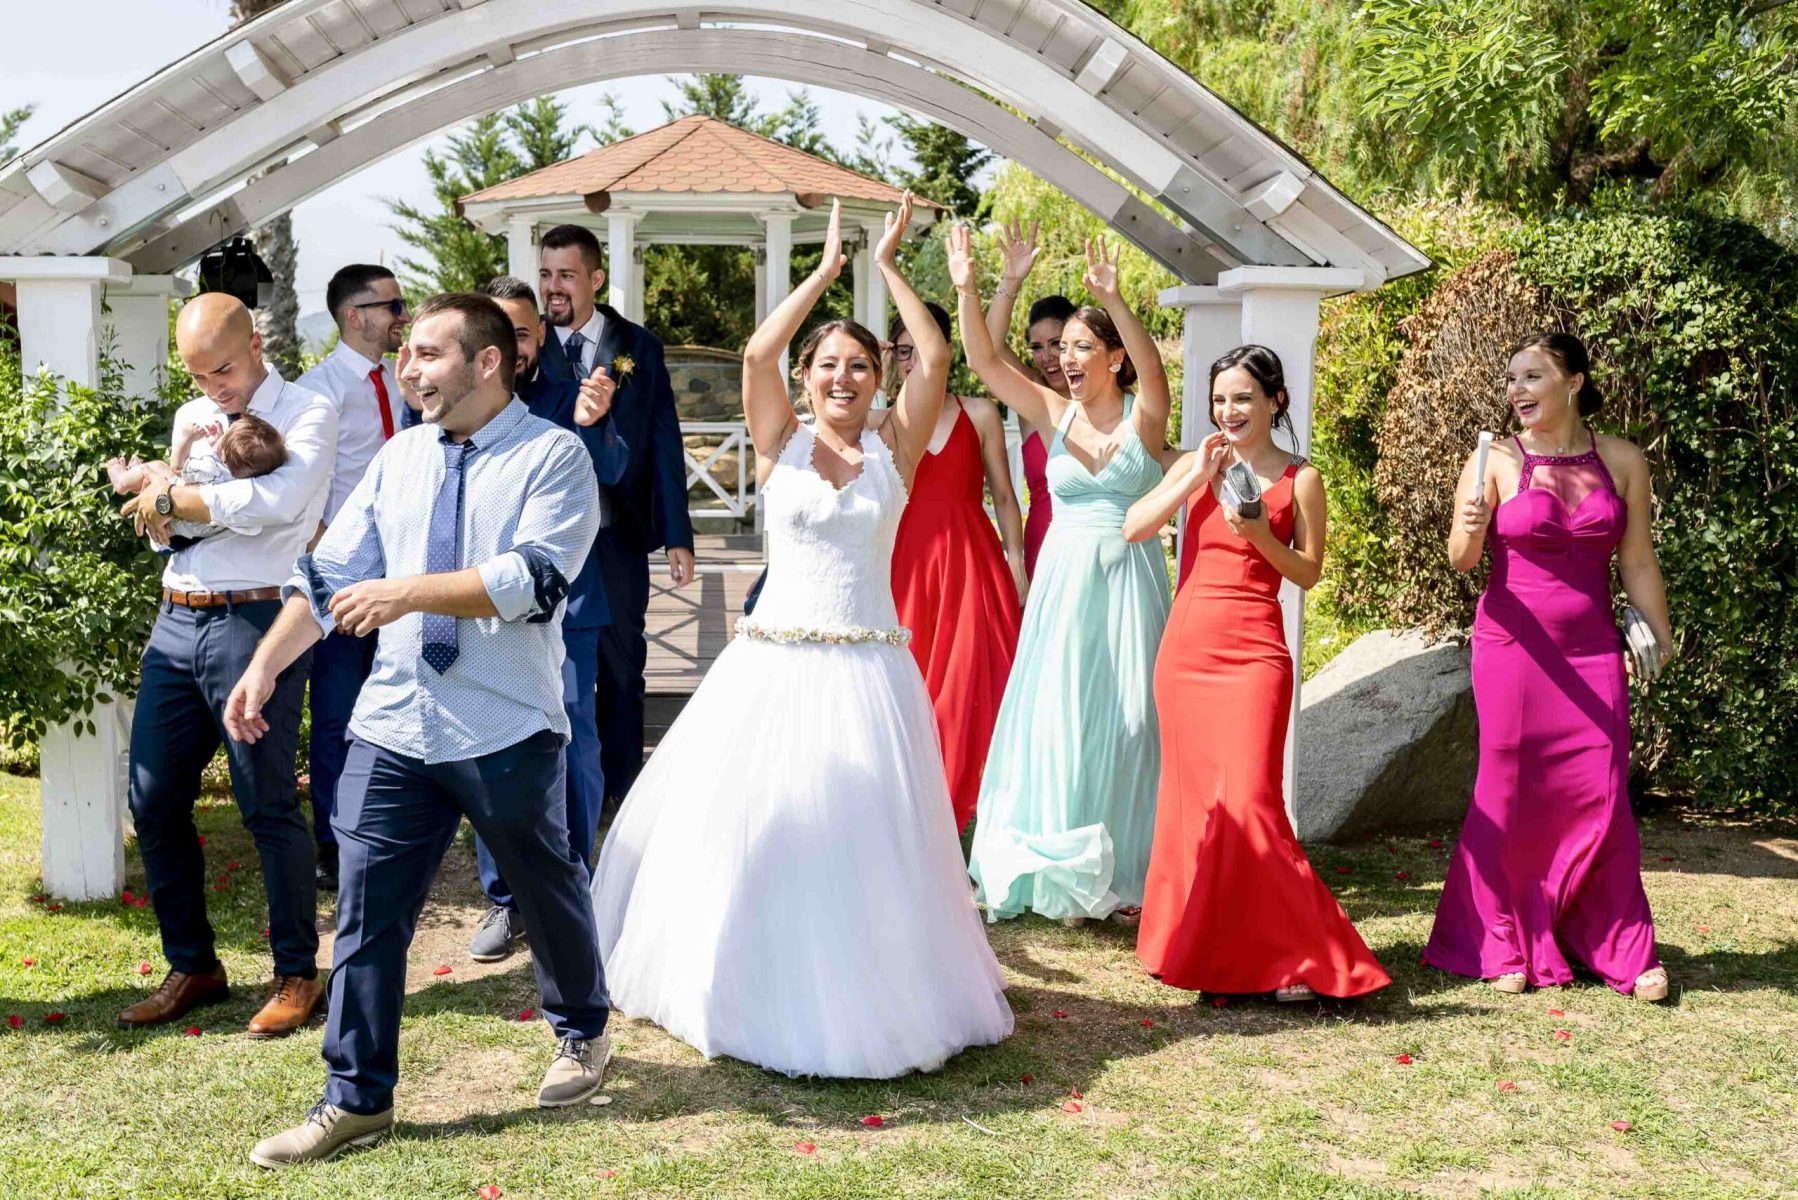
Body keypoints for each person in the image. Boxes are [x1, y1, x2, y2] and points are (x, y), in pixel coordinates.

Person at [591, 199, 1013, 1079]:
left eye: (859, 365)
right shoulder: (777, 438)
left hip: (868, 668)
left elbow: (935, 357)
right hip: (771, 665)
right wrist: (822, 274)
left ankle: (872, 983)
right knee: (763, 821)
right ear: (807, 376)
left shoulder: (896, 448)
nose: (843, 378)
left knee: (861, 831)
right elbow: (756, 355)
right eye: (827, 365)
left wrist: (886, 266)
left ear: (878, 379)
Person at [230, 293, 612, 1167]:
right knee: (366, 914)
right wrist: (265, 666)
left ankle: (582, 1030)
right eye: (407, 354)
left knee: (544, 886)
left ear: (488, 361)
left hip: (506, 724)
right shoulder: (399, 456)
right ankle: (354, 1099)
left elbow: (534, 582)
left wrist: (404, 593)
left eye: (429, 353)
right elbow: (331, 574)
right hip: (396, 722)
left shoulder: (554, 456)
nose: (408, 368)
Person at [1125, 346, 1389, 1001]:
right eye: (1219, 399)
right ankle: (1191, 946)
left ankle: (1299, 955)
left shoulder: (1302, 479)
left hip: (1256, 653)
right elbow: (1133, 527)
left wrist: (1260, 535)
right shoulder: (1198, 464)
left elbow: (1308, 572)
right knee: (1195, 807)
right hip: (1187, 651)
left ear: (1275, 400)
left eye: (1243, 397)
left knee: (1250, 803)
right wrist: (1195, 478)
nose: (1229, 410)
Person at [1425, 333, 1675, 1001]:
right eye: (1512, 379)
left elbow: (1638, 559)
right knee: (1506, 789)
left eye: (1533, 376)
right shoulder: (1495, 459)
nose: (1517, 390)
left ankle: (1622, 947)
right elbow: (1460, 559)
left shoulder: (1622, 460)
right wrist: (1470, 523)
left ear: (1574, 382)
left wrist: (1660, 636)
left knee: (1602, 790)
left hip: (1592, 649)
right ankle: (1502, 940)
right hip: (1512, 650)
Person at [114, 293, 338, 1038]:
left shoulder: (307, 411)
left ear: (257, 344)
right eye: (199, 375)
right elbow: (161, 531)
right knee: (152, 799)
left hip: (258, 621)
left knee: (267, 803)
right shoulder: (190, 417)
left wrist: (175, 495)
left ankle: (297, 973)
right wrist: (168, 501)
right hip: (176, 618)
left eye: (225, 370)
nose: (214, 388)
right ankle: (194, 967)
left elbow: (282, 502)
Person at [954, 228, 1172, 924]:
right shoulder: (1054, 411)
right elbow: (983, 359)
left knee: (1131, 717)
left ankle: (1126, 864)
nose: (1067, 359)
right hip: (1063, 582)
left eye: (1082, 347)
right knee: (1062, 712)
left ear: (1113, 356)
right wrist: (984, 285)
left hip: (1130, 579)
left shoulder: (1145, 418)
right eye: (1064, 348)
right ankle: (1065, 862)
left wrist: (1113, 298)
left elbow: (1154, 368)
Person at [465, 275, 629, 963]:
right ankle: (506, 899)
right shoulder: (458, 408)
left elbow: (613, 470)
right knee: (489, 744)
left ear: (539, 338)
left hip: (570, 607)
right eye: (502, 333)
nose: (514, 345)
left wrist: (593, 426)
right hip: (480, 606)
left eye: (525, 333)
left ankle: (575, 883)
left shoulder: (572, 396)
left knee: (572, 743)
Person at [535, 224, 694, 812]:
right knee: (557, 664)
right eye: (545, 274)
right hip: (549, 534)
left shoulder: (637, 346)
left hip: (617, 531)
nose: (553, 287)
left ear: (595, 279)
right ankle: (564, 791)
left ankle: (624, 792)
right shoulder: (528, 344)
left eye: (566, 275)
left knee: (624, 665)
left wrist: (677, 533)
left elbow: (663, 438)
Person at [886, 300, 1025, 833]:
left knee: (970, 673)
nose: (912, 360)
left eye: (920, 348)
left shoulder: (981, 412)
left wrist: (1016, 562)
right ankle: (907, 790)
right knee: (912, 672)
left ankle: (975, 789)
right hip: (907, 560)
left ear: (944, 349)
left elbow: (1005, 496)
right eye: (902, 351)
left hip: (970, 558)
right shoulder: (883, 420)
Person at [294, 264, 412, 890]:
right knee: (338, 714)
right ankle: (334, 844)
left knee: (398, 707)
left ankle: (386, 827)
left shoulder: (403, 381)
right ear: (353, 315)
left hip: (406, 579)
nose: (402, 315)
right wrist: (330, 561)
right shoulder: (318, 392)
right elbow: (304, 491)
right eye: (392, 305)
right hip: (344, 582)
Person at [983, 219, 1075, 579]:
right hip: (1042, 546)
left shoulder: (1110, 400)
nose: (1046, 357)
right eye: (1037, 347)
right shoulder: (1033, 395)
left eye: (1057, 344)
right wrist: (1011, 281)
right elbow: (989, 347)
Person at [108, 413, 288, 548]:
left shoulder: (210, 468)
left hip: (173, 525)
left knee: (158, 467)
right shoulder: (243, 482)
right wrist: (218, 444)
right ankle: (136, 477)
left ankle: (123, 480)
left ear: (223, 455)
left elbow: (177, 468)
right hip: (191, 535)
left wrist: (186, 441)